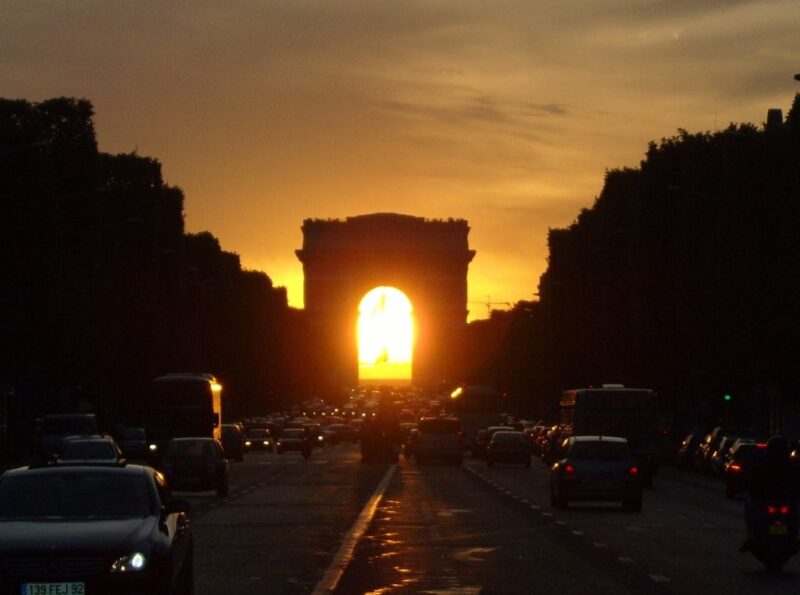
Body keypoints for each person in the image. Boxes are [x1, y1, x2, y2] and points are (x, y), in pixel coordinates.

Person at [741, 434, 800, 551]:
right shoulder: (790, 467)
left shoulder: (764, 467)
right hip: (771, 501)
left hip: (778, 501)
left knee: (749, 505)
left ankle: (752, 536)